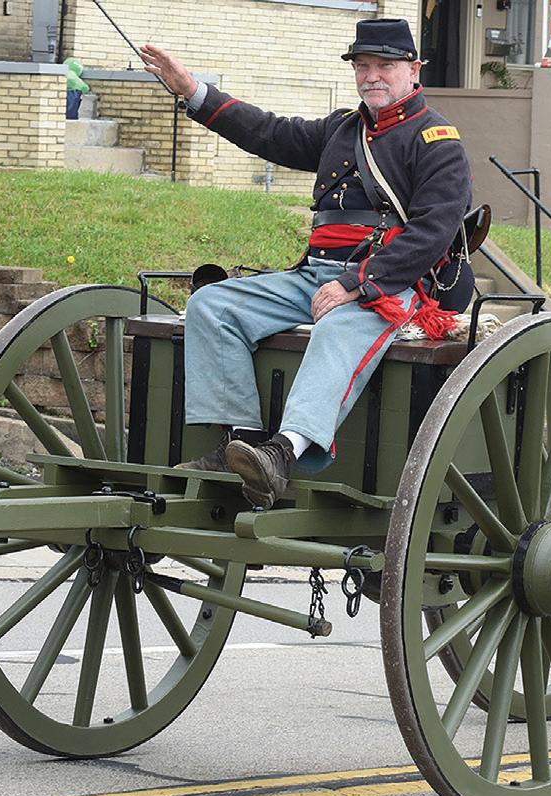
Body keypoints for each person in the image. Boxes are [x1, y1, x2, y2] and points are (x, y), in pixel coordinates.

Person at [138, 20, 473, 509]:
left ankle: (283, 454)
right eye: (363, 66)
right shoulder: (343, 128)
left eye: (385, 65)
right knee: (212, 305)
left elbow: (433, 232)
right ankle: (244, 446)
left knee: (337, 327)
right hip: (315, 274)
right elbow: (268, 133)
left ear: (414, 70)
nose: (372, 76)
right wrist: (194, 91)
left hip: (387, 286)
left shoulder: (436, 141)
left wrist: (357, 283)